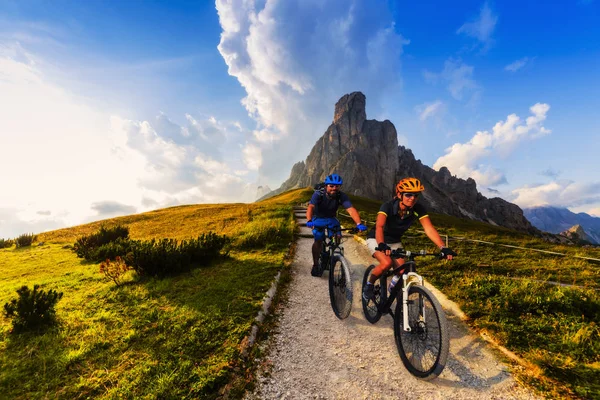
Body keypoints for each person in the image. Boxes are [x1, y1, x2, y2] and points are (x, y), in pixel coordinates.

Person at [362, 177, 456, 301]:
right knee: (386, 263)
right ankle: (369, 285)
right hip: (377, 238)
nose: (412, 198)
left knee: (402, 271)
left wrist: (443, 247)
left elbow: (428, 228)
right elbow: (380, 226)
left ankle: (392, 289)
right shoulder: (388, 206)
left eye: (416, 195)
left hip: (394, 241)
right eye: (408, 195)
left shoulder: (417, 209)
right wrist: (381, 244)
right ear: (399, 194)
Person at [306, 173, 367, 276]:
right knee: (318, 240)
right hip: (318, 218)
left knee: (337, 237)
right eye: (331, 186)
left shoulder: (341, 196)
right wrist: (309, 220)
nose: (334, 188)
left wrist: (358, 223)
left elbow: (351, 210)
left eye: (337, 186)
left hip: (331, 219)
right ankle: (316, 265)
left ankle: (333, 257)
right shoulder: (318, 194)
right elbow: (311, 207)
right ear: (326, 186)